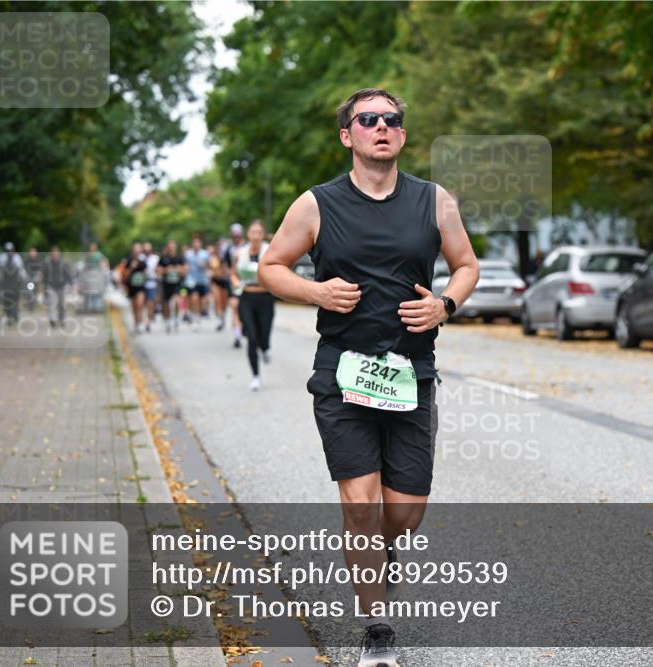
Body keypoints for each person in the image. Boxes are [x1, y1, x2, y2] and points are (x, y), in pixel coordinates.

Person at [258, 88, 479, 667]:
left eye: (392, 120)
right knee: (360, 505)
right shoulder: (316, 204)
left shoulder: (434, 201)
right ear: (347, 135)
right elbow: (270, 266)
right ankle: (377, 629)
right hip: (342, 371)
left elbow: (466, 265)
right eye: (368, 119)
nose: (382, 126)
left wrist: (444, 306)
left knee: (403, 515)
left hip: (410, 374)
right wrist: (316, 292)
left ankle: (379, 555)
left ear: (402, 134)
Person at [233, 221, 275, 391]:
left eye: (259, 232)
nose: (256, 235)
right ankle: (255, 376)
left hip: (265, 297)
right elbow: (233, 274)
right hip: (247, 297)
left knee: (263, 335)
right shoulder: (240, 253)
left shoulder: (270, 251)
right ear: (248, 234)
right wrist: (236, 283)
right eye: (253, 232)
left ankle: (265, 348)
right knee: (252, 337)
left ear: (263, 234)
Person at [222, 223, 245, 347]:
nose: (236, 237)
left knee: (244, 309)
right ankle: (237, 336)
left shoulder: (248, 246)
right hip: (233, 282)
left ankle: (244, 328)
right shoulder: (228, 249)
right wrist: (231, 274)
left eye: (238, 235)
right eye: (234, 235)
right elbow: (225, 265)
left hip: (247, 283)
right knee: (234, 306)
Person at [42, 245, 74, 328]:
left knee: (61, 305)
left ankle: (61, 319)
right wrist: (44, 287)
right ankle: (52, 320)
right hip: (51, 286)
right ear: (50, 254)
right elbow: (44, 276)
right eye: (53, 253)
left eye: (56, 253)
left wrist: (71, 284)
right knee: (52, 304)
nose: (55, 254)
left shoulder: (63, 263)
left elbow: (68, 274)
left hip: (61, 286)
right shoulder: (47, 264)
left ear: (59, 253)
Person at [157, 240, 186, 333]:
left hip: (177, 283)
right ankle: (167, 320)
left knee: (177, 301)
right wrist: (166, 270)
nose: (171, 249)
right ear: (167, 248)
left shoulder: (180, 257)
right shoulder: (163, 258)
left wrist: (178, 270)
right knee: (166, 303)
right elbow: (157, 270)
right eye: (169, 247)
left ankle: (176, 319)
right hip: (166, 284)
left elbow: (185, 270)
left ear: (175, 247)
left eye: (172, 247)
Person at [0, 242, 26, 325]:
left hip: (11, 283)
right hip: (10, 283)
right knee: (10, 301)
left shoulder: (3, 258)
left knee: (11, 300)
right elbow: (21, 271)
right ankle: (12, 316)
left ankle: (13, 316)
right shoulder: (11, 258)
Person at [184, 235, 211, 330]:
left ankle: (198, 315)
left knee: (202, 301)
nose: (196, 245)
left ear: (200, 244)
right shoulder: (188, 254)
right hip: (191, 280)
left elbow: (209, 266)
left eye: (197, 243)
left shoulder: (205, 254)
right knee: (194, 298)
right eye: (194, 243)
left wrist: (204, 265)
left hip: (202, 280)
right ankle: (193, 316)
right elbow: (185, 265)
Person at [124, 243, 147, 334]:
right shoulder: (129, 261)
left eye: (138, 250)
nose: (137, 252)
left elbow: (146, 273)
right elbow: (125, 276)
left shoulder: (143, 261)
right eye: (135, 250)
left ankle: (140, 322)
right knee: (134, 306)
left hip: (141, 286)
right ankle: (136, 324)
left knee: (139, 304)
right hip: (131, 287)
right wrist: (131, 268)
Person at [82, 242, 109, 312]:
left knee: (97, 291)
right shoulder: (88, 255)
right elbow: (85, 265)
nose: (91, 248)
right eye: (91, 247)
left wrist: (105, 270)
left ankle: (97, 306)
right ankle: (90, 307)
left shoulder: (99, 255)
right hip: (89, 274)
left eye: (93, 247)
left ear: (95, 248)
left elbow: (105, 261)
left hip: (97, 274)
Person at [142, 241, 160, 333]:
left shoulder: (156, 258)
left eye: (148, 248)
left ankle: (148, 321)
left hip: (152, 283)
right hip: (141, 284)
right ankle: (143, 320)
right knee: (142, 303)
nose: (147, 250)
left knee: (150, 302)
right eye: (145, 248)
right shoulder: (140, 258)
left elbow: (159, 270)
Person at [24, 247, 43, 311]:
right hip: (29, 279)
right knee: (29, 292)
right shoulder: (27, 260)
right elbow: (25, 269)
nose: (32, 253)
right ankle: (30, 305)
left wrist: (39, 276)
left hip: (36, 279)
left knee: (35, 292)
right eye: (31, 252)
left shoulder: (38, 260)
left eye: (33, 252)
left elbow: (40, 269)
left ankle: (33, 305)